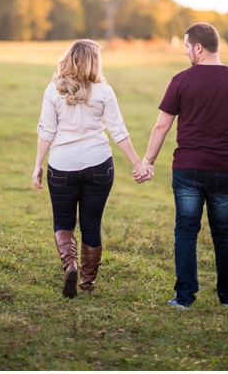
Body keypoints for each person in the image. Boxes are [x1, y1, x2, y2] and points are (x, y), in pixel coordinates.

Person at [138, 22, 228, 308]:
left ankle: (184, 298)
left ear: (199, 47)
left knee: (186, 231)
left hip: (188, 170)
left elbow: (161, 126)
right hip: (224, 170)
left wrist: (147, 161)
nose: (185, 52)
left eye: (186, 47)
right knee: (224, 232)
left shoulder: (181, 80)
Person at [33, 39, 152, 298]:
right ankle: (87, 284)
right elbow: (118, 131)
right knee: (92, 224)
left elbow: (46, 130)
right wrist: (138, 164)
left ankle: (70, 265)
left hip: (61, 166)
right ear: (94, 62)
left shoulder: (54, 90)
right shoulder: (104, 91)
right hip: (99, 166)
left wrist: (38, 165)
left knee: (63, 221)